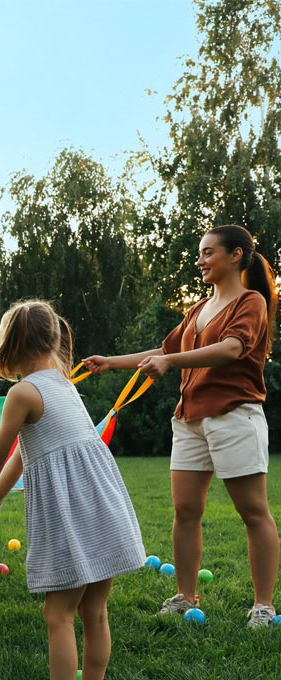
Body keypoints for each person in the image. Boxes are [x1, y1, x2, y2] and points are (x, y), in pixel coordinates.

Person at [84, 224, 279, 627]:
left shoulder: (251, 301)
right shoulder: (197, 309)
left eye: (209, 252)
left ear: (236, 255)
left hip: (234, 415)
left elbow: (232, 348)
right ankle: (185, 595)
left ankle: (263, 605)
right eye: (201, 253)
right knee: (185, 511)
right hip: (189, 419)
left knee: (253, 511)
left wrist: (171, 363)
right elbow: (166, 350)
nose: (201, 260)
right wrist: (111, 361)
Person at [0, 300, 145, 680]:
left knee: (58, 615)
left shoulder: (23, 393)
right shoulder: (63, 386)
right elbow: (25, 455)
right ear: (52, 339)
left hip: (73, 513)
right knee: (95, 612)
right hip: (104, 507)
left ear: (10, 345)